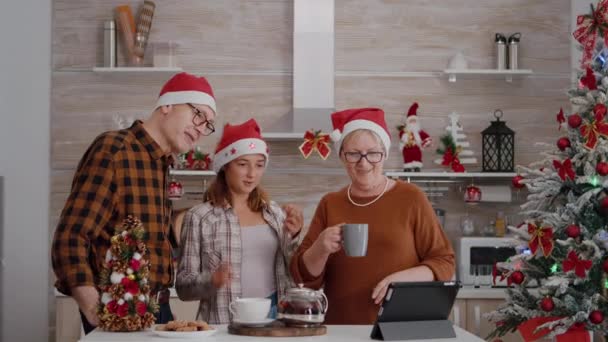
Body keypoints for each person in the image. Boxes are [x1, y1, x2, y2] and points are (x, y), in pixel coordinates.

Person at [51, 72, 218, 334]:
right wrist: (97, 311)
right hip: (121, 312)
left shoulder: (162, 164)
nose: (201, 128)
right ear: (167, 105)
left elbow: (142, 239)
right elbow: (71, 237)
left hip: (157, 309)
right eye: (198, 114)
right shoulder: (115, 149)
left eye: (208, 124)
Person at [290, 108, 455, 324]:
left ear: (384, 154)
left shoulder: (411, 198)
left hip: (401, 329)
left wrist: (402, 280)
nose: (364, 162)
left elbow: (444, 262)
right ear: (341, 156)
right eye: (353, 154)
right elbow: (303, 278)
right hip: (342, 330)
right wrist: (320, 248)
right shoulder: (330, 203)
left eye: (373, 153)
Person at [176, 118, 305, 324]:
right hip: (224, 322)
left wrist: (295, 235)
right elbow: (183, 288)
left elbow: (296, 272)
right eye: (243, 164)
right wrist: (212, 280)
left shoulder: (275, 214)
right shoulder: (199, 217)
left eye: (259, 165)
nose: (252, 174)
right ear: (225, 166)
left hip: (274, 318)